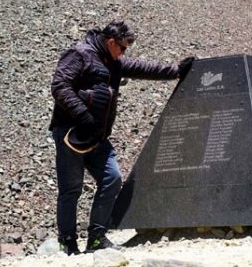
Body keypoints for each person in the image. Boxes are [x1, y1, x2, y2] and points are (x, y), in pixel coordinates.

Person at [49, 20, 194, 255]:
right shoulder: (79, 54)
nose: (124, 53)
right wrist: (83, 116)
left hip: (97, 135)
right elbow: (59, 86)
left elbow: (142, 68)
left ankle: (96, 237)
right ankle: (67, 243)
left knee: (112, 178)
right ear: (110, 42)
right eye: (123, 48)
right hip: (70, 132)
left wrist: (176, 71)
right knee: (71, 189)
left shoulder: (113, 60)